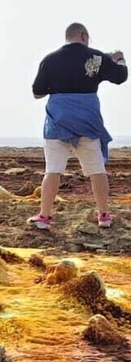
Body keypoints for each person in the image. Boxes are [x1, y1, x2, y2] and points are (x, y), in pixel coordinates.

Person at [29, 22, 127, 229]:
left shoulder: (50, 59)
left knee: (52, 170)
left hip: (58, 121)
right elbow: (121, 77)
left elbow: (37, 92)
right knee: (96, 169)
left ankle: (44, 217)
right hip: (87, 121)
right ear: (83, 36)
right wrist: (119, 57)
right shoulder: (97, 57)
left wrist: (58, 88)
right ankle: (104, 216)